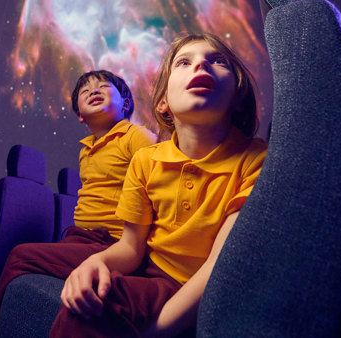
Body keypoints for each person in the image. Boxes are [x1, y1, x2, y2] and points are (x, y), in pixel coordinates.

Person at [56, 32, 268, 337]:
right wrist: (96, 262)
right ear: (163, 104)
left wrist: (154, 332)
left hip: (209, 291)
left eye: (217, 60)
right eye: (184, 62)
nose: (200, 67)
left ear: (237, 94)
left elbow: (219, 267)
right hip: (150, 274)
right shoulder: (146, 160)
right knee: (89, 299)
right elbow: (131, 247)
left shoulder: (256, 160)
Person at [0, 70, 156, 338]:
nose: (93, 91)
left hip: (112, 242)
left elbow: (157, 184)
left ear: (126, 104)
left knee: (20, 255)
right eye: (85, 91)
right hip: (80, 238)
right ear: (80, 116)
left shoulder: (136, 136)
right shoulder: (86, 149)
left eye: (103, 87)